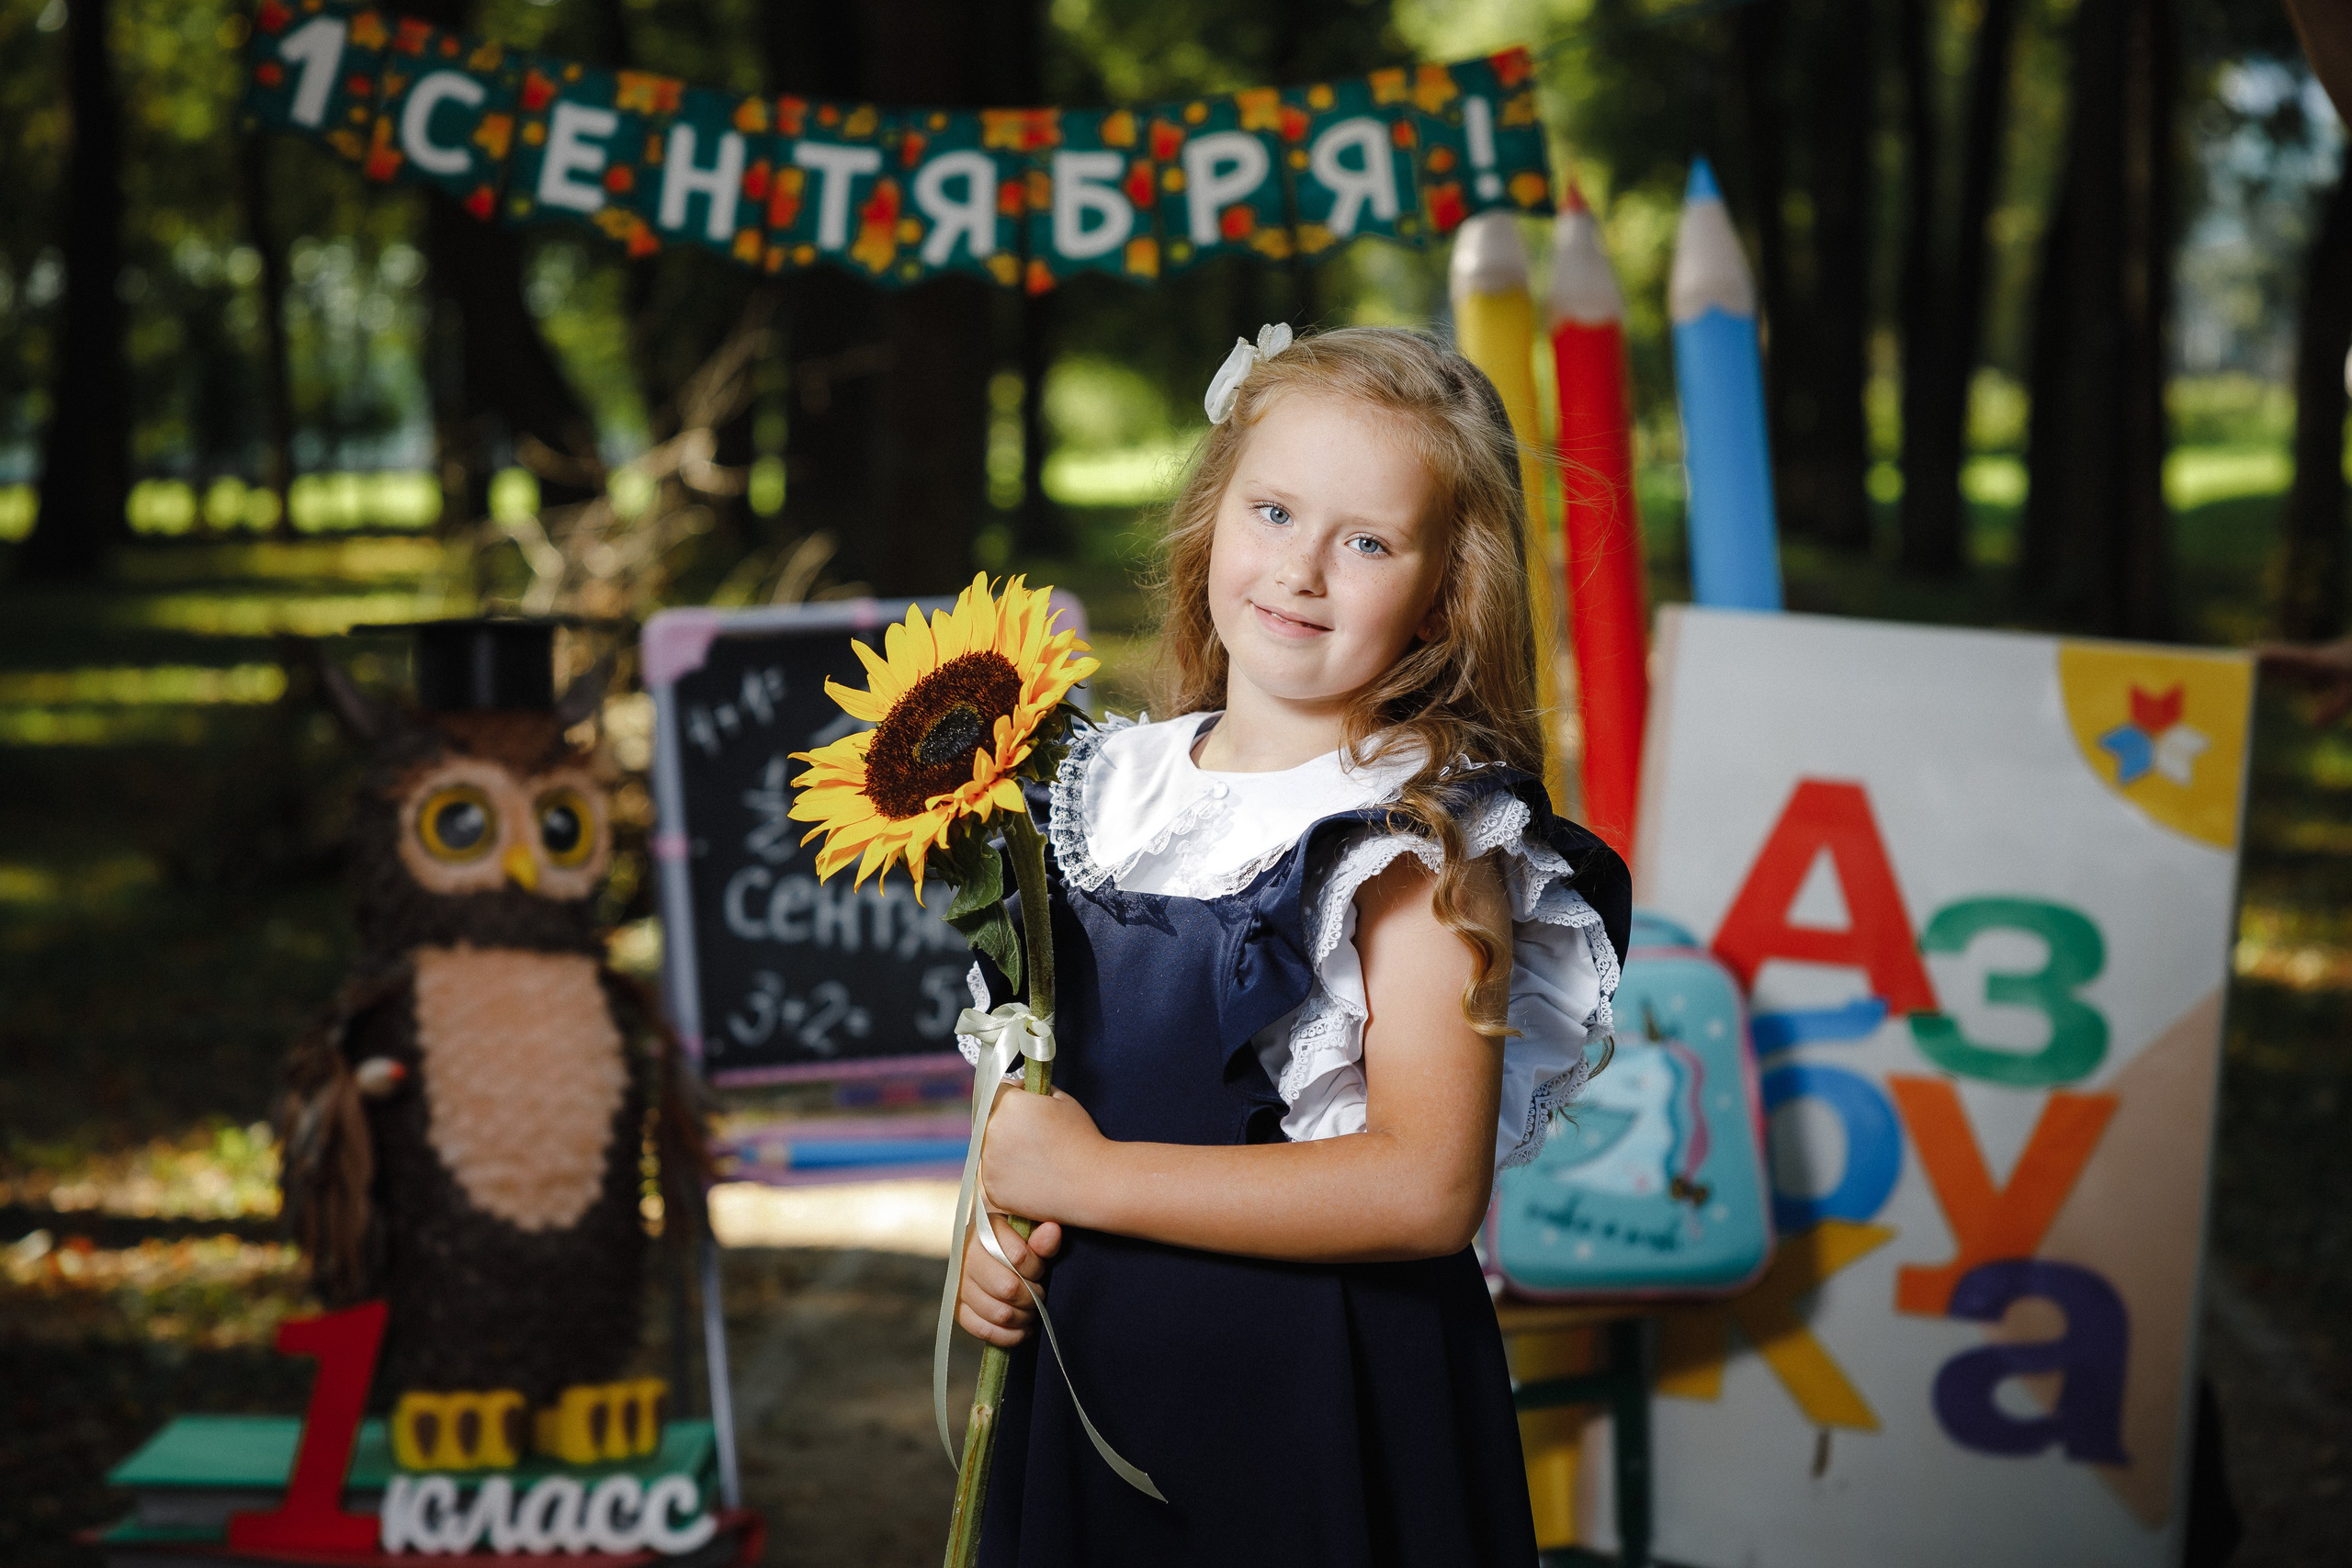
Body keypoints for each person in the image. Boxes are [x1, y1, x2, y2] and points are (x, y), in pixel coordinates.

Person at [955, 323, 1631, 1566]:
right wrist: (998, 1238)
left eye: (1367, 542)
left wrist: (1089, 1181)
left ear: (1445, 596)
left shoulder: (1420, 834)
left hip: (1313, 1402)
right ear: (1213, 513)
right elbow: (1041, 1091)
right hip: (1096, 1367)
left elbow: (1427, 1191)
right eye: (1273, 511)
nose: (1302, 570)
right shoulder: (1090, 789)